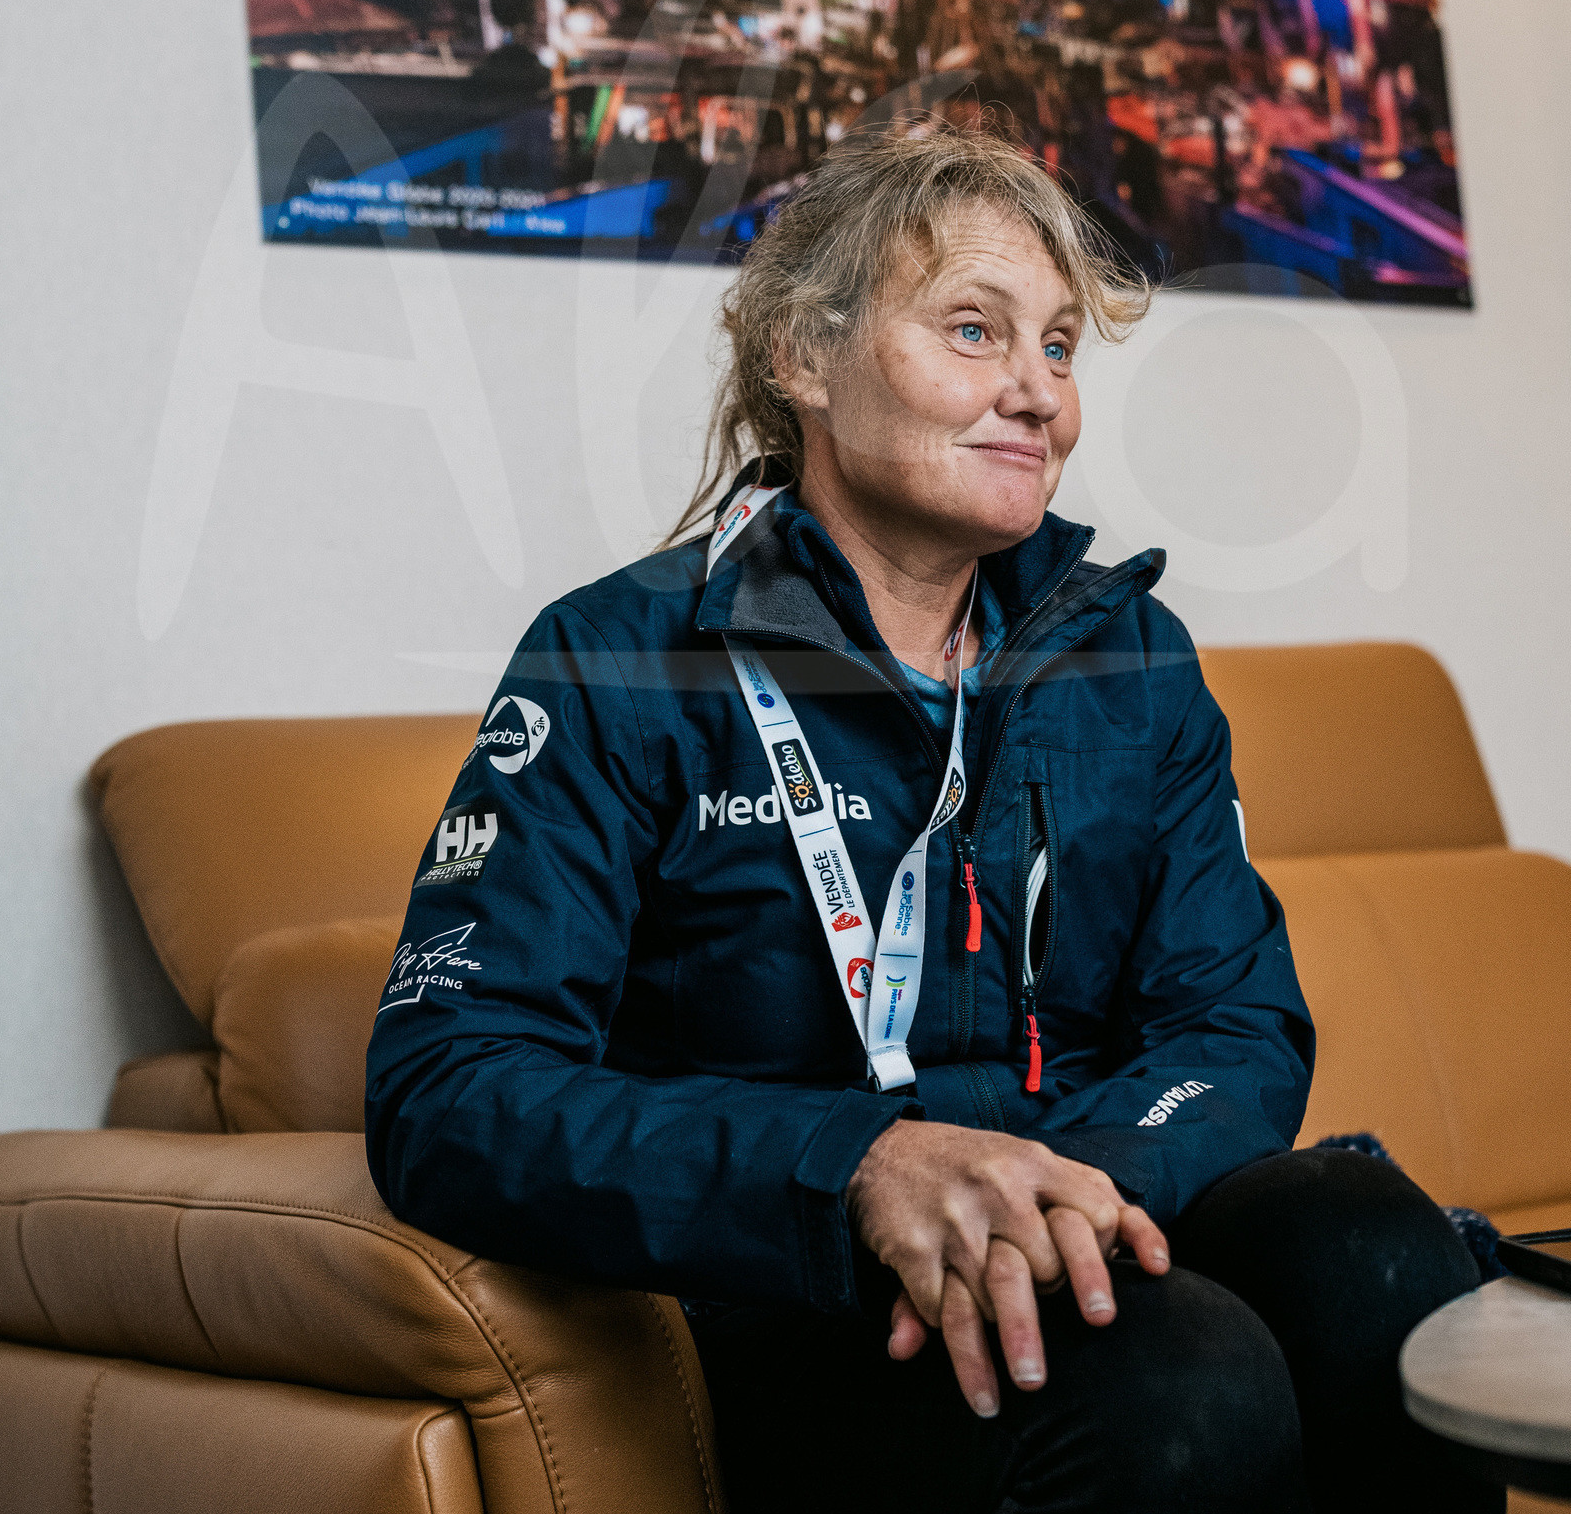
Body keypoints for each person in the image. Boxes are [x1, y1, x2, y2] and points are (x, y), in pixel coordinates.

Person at [366, 126, 1494, 1513]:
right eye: (975, 330)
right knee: (1180, 1378)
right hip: (794, 1292)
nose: (1039, 393)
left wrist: (1051, 1199)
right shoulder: (615, 661)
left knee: (1375, 1255)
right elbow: (449, 1090)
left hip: (1095, 1225)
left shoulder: (1131, 659)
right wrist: (856, 1170)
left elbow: (1235, 1025)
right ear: (803, 353)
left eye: (1060, 347)